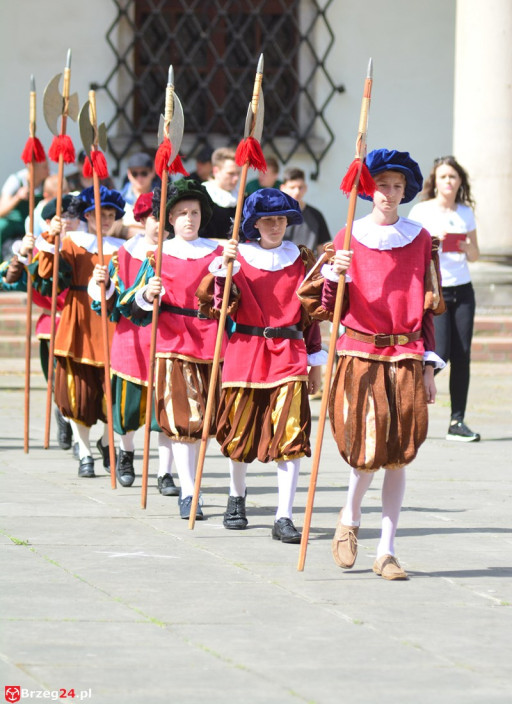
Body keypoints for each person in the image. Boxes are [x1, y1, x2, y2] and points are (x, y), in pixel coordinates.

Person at [299, 149, 445, 579]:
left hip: (406, 355)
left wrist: (429, 367)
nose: (389, 193)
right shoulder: (349, 235)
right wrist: (334, 274)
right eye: (382, 185)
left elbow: (428, 307)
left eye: (397, 186)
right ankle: (350, 515)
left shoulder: (420, 239)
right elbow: (329, 309)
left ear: (406, 191)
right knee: (366, 449)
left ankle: (387, 550)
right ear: (369, 189)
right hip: (361, 354)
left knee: (398, 454)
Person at [199, 188, 325, 543]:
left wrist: (315, 363)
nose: (275, 226)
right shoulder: (235, 258)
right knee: (238, 433)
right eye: (267, 220)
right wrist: (223, 272)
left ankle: (284, 515)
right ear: (254, 223)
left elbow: (311, 318)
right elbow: (218, 307)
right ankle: (236, 498)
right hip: (246, 352)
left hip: (289, 353)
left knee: (292, 435)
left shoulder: (301, 259)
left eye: (281, 219)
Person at [118, 178, 227, 518]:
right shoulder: (158, 256)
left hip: (211, 343)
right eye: (182, 213)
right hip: (172, 343)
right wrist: (147, 294)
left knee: (206, 423)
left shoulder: (218, 254)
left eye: (194, 212)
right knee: (181, 421)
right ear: (170, 219)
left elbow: (232, 302)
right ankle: (189, 491)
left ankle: (194, 483)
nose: (189, 219)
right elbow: (132, 306)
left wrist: (228, 280)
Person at [90, 192, 178, 492]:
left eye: (165, 217)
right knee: (127, 409)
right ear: (141, 219)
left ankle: (165, 472)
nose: (160, 224)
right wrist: (104, 285)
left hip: (169, 339)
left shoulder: (179, 252)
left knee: (165, 412)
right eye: (154, 217)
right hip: (131, 340)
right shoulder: (123, 254)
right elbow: (110, 305)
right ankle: (126, 455)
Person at [36, 186, 126, 478]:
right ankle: (84, 452)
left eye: (111, 215)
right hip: (78, 320)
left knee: (112, 396)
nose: (106, 220)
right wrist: (52, 237)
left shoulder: (122, 249)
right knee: (78, 394)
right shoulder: (73, 242)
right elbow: (48, 275)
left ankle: (106, 443)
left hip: (110, 323)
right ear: (88, 216)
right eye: (100, 214)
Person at [408, 155, 481, 442]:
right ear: (435, 182)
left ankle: (457, 420)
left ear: (460, 181)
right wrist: (433, 241)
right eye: (443, 177)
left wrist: (464, 246)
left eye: (453, 176)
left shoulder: (465, 212)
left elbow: (476, 254)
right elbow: (410, 251)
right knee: (440, 354)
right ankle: (407, 397)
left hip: (463, 289)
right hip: (435, 290)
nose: (448, 181)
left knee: (462, 355)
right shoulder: (422, 211)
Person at [1, 194, 80, 451]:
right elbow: (8, 280)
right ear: (48, 222)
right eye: (62, 217)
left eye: (73, 216)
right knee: (58, 379)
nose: (68, 221)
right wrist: (22, 255)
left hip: (83, 324)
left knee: (83, 382)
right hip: (54, 323)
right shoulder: (38, 249)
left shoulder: (87, 247)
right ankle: (63, 413)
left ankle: (79, 430)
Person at [0, 158, 49, 259]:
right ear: (33, 168)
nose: (48, 170)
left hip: (35, 225)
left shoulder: (48, 180)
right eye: (44, 167)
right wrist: (17, 197)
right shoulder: (16, 180)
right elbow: (1, 211)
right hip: (14, 225)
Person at [280, 167, 331, 257]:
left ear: (306, 188)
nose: (297, 192)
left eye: (300, 187)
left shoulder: (316, 215)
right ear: (283, 188)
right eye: (292, 187)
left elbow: (322, 251)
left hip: (309, 264)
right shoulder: (275, 215)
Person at [200, 147, 241, 240]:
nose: (236, 178)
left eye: (238, 173)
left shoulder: (241, 197)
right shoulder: (203, 195)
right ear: (216, 171)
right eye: (231, 173)